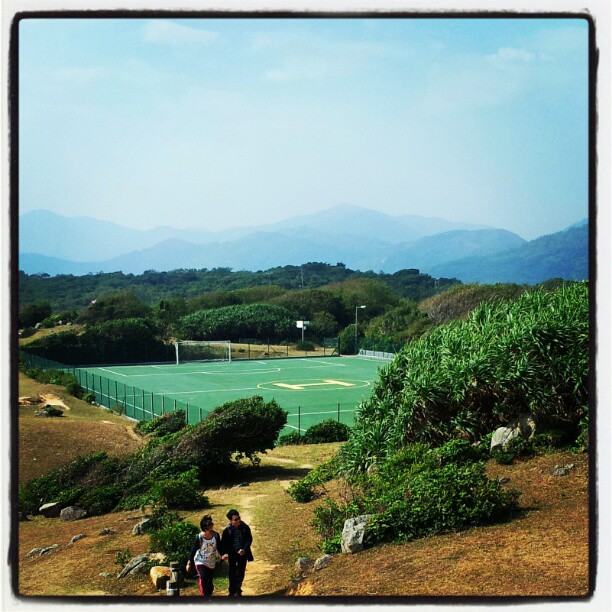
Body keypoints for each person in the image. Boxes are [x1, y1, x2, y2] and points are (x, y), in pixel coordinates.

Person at [186, 514, 227, 598]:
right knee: (203, 577)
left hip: (211, 562)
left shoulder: (216, 535)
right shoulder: (200, 537)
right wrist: (189, 563)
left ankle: (209, 596)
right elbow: (193, 550)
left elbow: (219, 547)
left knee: (209, 584)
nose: (211, 525)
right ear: (204, 527)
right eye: (209, 524)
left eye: (211, 523)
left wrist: (223, 555)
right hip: (200, 561)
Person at [220, 509, 253, 597]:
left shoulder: (245, 527)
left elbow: (249, 540)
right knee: (232, 572)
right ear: (231, 521)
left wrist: (244, 549)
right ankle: (232, 591)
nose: (238, 520)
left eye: (239, 518)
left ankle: (237, 590)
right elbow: (223, 543)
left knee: (240, 572)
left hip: (242, 553)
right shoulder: (227, 530)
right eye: (236, 519)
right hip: (232, 554)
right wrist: (224, 553)